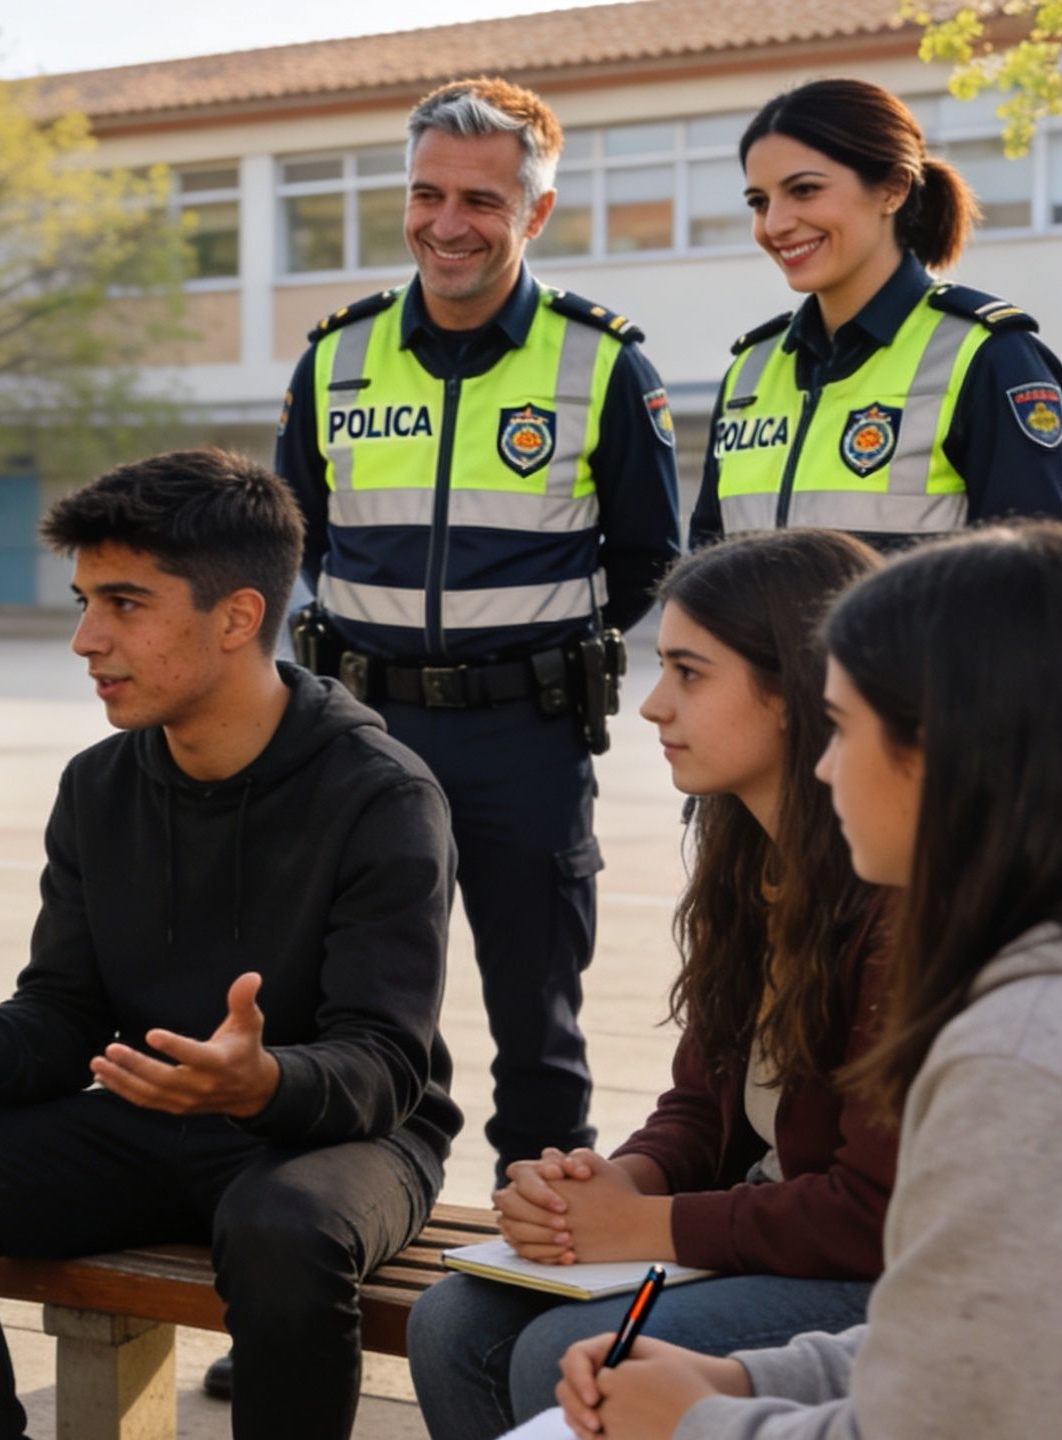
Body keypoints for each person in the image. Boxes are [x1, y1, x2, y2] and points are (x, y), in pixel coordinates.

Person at [429, 523, 1062, 1440]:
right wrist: (733, 1369)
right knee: (480, 1375)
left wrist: (695, 1425)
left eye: (843, 728)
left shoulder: (1042, 1043)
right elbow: (978, 1340)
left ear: (948, 748)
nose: (824, 767)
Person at [0, 448, 460, 1440]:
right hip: (155, 1117)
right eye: (83, 602)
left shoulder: (381, 795)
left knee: (284, 1227)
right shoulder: (100, 785)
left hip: (343, 1139)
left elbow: (386, 1064)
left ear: (238, 615)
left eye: (124, 604)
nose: (86, 640)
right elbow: (65, 1023)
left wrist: (260, 1081)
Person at [405, 528, 895, 1440]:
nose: (653, 706)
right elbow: (702, 1103)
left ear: (796, 691)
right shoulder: (745, 852)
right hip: (770, 1230)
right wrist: (617, 1182)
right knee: (452, 1321)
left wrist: (648, 1225)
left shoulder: (901, 889)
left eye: (689, 673)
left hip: (874, 1275)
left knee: (563, 1349)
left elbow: (876, 1212)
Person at [275, 75, 684, 1194]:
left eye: (482, 202)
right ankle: (316, 1249)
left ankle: (535, 1274)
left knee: (537, 1027)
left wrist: (541, 648)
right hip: (360, 734)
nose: (447, 224)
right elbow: (295, 533)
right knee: (338, 1011)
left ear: (535, 213)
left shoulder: (600, 361)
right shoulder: (338, 356)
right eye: (426, 194)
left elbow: (649, 552)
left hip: (525, 739)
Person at [696, 78, 1062, 548]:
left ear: (893, 190)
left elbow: (1041, 579)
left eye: (804, 190)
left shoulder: (991, 357)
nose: (774, 224)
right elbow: (704, 574)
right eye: (759, 202)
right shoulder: (749, 373)